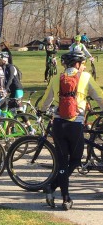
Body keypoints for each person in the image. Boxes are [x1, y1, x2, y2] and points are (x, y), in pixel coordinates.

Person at [38, 51, 103, 210]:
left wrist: (41, 110)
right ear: (78, 64)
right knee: (74, 161)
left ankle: (64, 198)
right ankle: (52, 187)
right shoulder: (86, 77)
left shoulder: (56, 78)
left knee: (62, 162)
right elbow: (100, 97)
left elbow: (46, 100)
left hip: (58, 124)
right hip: (75, 125)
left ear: (65, 64)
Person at [0, 52, 35, 135]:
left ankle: (30, 128)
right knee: (11, 111)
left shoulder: (11, 67)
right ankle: (13, 129)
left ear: (4, 59)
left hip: (17, 90)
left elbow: (11, 79)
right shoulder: (4, 67)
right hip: (12, 91)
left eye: (0, 59)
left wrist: (5, 88)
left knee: (19, 110)